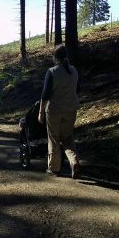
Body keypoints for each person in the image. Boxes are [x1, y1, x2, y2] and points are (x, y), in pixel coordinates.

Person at [38, 45, 80, 179]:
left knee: (54, 138)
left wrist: (41, 112)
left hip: (55, 110)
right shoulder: (74, 70)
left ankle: (54, 168)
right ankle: (74, 162)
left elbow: (45, 95)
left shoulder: (52, 72)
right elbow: (76, 90)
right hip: (71, 109)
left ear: (55, 57)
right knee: (67, 138)